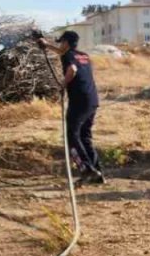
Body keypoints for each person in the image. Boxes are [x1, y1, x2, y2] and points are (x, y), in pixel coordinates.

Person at [38, 30, 104, 184]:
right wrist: (46, 45)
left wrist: (63, 85)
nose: (60, 45)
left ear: (66, 43)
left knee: (72, 136)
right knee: (85, 136)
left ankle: (86, 169)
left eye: (61, 42)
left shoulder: (68, 56)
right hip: (92, 99)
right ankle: (97, 173)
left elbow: (72, 70)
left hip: (79, 101)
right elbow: (64, 54)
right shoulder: (84, 56)